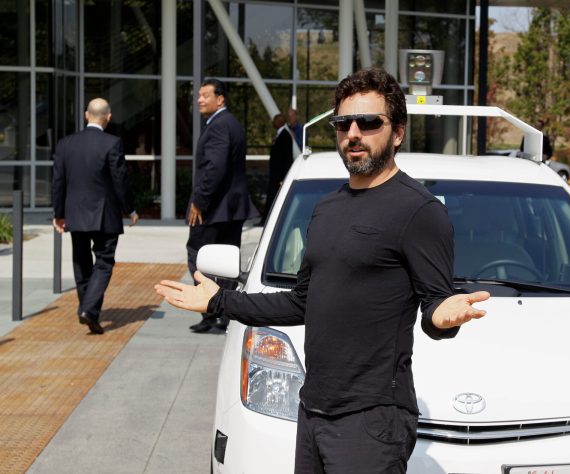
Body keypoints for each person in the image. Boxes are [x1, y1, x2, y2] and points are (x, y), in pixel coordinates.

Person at [156, 68, 490, 472]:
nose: (353, 133)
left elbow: (435, 306)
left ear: (397, 133)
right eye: (343, 123)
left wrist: (443, 317)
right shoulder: (326, 208)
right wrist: (218, 301)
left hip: (371, 419)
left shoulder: (419, 211)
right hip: (312, 409)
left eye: (368, 123)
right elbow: (302, 302)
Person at [52, 98, 139, 335]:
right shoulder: (112, 143)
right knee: (104, 262)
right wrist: (130, 209)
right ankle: (89, 309)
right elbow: (120, 180)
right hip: (105, 215)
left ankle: (88, 309)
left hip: (76, 215)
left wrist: (58, 214)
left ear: (85, 115)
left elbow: (58, 182)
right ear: (108, 117)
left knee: (81, 263)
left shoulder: (65, 143)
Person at [186, 78, 258, 333]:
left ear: (220, 99)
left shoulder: (218, 125)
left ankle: (209, 312)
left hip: (214, 209)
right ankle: (224, 315)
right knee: (227, 262)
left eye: (205, 95)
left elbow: (215, 168)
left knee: (198, 256)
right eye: (198, 95)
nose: (200, 99)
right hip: (231, 208)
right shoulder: (231, 123)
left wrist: (199, 201)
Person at [262, 113, 295, 224]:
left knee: (275, 198)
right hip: (275, 174)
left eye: (275, 120)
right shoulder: (279, 135)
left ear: (280, 122)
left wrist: (284, 177)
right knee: (271, 196)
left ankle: (269, 220)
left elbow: (287, 158)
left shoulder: (285, 136)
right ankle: (266, 219)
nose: (273, 123)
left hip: (279, 176)